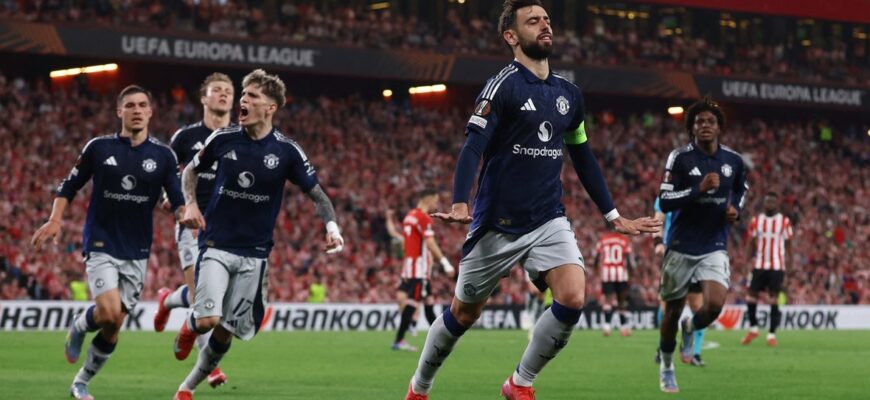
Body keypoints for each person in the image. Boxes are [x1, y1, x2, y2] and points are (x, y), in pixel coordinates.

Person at [403, 2, 660, 399]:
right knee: (463, 313)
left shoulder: (569, 94)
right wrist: (459, 202)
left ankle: (519, 383)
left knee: (573, 296)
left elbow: (582, 155)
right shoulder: (502, 85)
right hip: (497, 222)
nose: (545, 25)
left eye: (547, 20)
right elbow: (473, 147)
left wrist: (613, 215)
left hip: (547, 218)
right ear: (511, 36)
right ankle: (419, 387)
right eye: (533, 21)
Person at [171, 69, 344, 400]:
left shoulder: (287, 151)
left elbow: (318, 195)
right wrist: (190, 203)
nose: (243, 100)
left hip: (255, 254)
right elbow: (190, 171)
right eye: (244, 94)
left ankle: (186, 388)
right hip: (217, 244)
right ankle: (190, 326)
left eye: (252, 96)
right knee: (208, 320)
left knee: (225, 333)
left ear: (270, 108)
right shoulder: (222, 139)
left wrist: (332, 227)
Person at [31, 85, 186, 400]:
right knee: (109, 311)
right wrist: (55, 219)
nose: (136, 110)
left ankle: (80, 383)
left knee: (113, 324)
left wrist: (185, 214)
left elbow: (178, 198)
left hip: (137, 249)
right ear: (119, 111)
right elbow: (69, 185)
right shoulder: (99, 148)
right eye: (130, 105)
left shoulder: (163, 156)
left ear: (150, 112)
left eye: (142, 105)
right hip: (101, 241)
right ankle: (79, 325)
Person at [656, 96, 749, 392]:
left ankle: (691, 327)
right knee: (672, 311)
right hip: (681, 243)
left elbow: (742, 189)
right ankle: (667, 367)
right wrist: (698, 189)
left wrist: (736, 209)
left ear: (719, 127)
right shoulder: (680, 159)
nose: (705, 125)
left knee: (714, 305)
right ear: (692, 128)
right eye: (699, 122)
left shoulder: (733, 161)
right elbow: (665, 200)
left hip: (714, 243)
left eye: (710, 121)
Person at [154, 72, 235, 388]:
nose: (223, 94)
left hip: (226, 227)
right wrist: (170, 198)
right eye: (217, 90)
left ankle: (167, 300)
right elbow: (165, 172)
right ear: (204, 98)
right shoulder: (186, 137)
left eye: (228, 91)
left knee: (217, 297)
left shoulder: (239, 137)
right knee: (202, 298)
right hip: (192, 223)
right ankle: (210, 367)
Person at [386, 189, 456, 352]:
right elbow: (430, 243)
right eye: (435, 201)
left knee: (429, 304)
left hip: (411, 267)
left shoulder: (409, 216)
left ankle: (441, 339)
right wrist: (445, 263)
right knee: (412, 304)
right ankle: (399, 340)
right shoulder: (423, 218)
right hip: (419, 269)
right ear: (428, 199)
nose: (436, 204)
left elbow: (406, 243)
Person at [653, 199, 707, 367]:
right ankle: (663, 346)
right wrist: (658, 242)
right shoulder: (668, 193)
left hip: (698, 254)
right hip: (673, 255)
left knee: (698, 306)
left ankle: (696, 353)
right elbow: (658, 219)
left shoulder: (703, 193)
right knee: (666, 307)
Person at [742, 191, 792, 347]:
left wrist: (790, 269)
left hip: (777, 266)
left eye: (772, 201)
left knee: (773, 298)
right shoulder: (756, 221)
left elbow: (789, 246)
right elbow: (750, 243)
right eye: (767, 201)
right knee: (751, 296)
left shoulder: (784, 221)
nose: (769, 204)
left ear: (777, 204)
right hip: (759, 265)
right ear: (764, 203)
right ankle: (753, 329)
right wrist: (745, 263)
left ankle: (771, 334)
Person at [593, 230, 635, 337]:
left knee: (608, 301)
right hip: (621, 274)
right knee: (621, 302)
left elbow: (597, 257)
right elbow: (628, 259)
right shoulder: (624, 240)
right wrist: (631, 273)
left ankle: (607, 327)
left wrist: (595, 269)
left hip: (607, 274)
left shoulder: (603, 240)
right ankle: (623, 328)